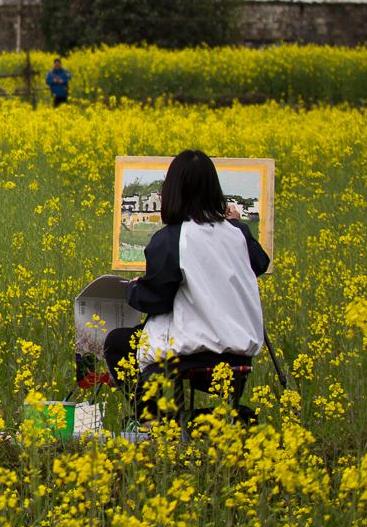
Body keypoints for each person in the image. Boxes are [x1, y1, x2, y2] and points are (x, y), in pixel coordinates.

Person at [103, 150, 268, 423]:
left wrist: (132, 289)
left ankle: (153, 420)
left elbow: (156, 300)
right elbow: (260, 263)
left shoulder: (172, 238)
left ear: (173, 191)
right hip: (238, 353)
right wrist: (236, 223)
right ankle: (215, 419)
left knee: (117, 343)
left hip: (191, 353)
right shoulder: (238, 233)